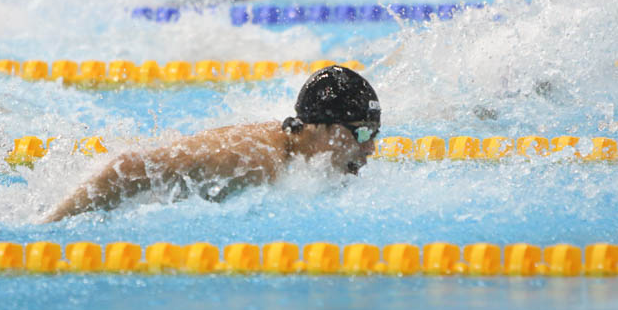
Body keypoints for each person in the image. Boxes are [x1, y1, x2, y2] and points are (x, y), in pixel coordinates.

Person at [43, 65, 381, 222]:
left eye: (374, 135)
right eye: (362, 134)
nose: (370, 150)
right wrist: (51, 225)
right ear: (322, 128)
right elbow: (130, 166)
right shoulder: (250, 160)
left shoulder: (295, 154)